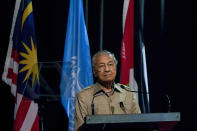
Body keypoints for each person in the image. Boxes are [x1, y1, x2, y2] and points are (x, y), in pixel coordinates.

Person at [74, 50, 141, 131]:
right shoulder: (84, 96)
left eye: (110, 64)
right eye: (101, 66)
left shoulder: (128, 93)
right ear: (94, 72)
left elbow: (140, 124)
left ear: (115, 68)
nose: (107, 69)